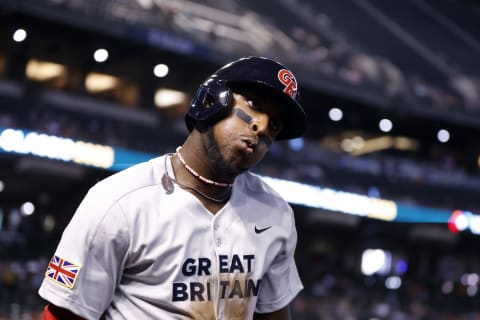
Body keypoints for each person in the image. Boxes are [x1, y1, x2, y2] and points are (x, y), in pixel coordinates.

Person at [38, 56, 307, 319]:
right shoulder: (118, 201)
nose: (262, 127)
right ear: (213, 99)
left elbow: (275, 313)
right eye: (254, 104)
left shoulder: (275, 213)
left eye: (275, 125)